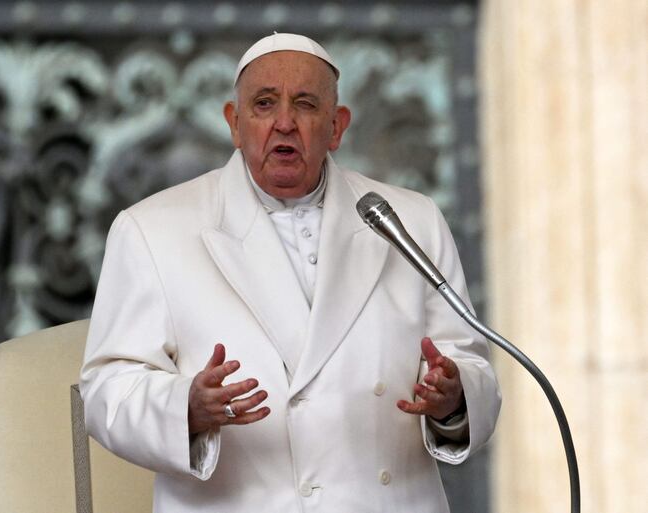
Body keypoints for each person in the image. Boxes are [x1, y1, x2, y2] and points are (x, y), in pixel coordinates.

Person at [80, 33, 500, 513]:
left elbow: (470, 363)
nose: (284, 123)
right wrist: (185, 408)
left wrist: (453, 398)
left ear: (336, 127)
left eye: (305, 104)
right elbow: (106, 390)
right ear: (234, 124)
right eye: (263, 104)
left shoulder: (410, 220)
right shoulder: (152, 228)